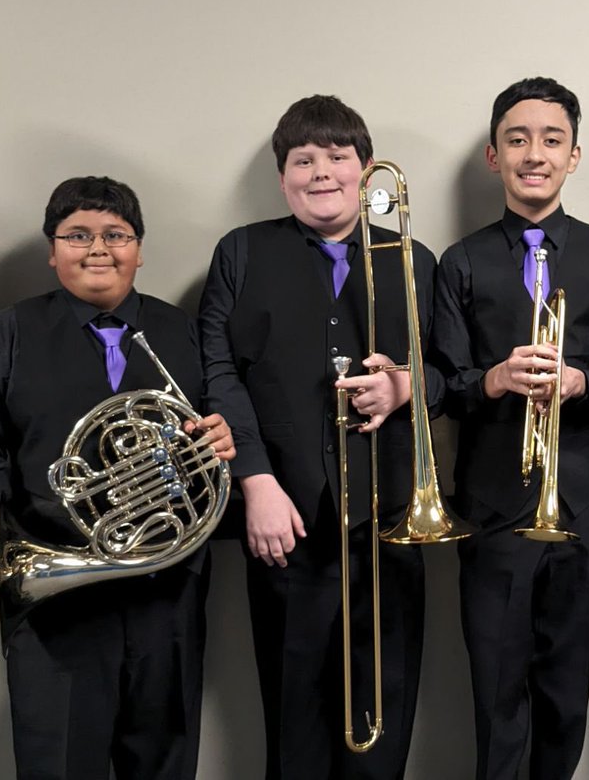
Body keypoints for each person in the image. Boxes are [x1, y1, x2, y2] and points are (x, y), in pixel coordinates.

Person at [0, 175, 235, 780]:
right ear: (52, 250)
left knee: (162, 763)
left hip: (166, 593)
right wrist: (11, 540)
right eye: (78, 234)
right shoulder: (11, 331)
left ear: (139, 249)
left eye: (116, 235)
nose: (98, 248)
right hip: (58, 602)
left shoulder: (179, 331)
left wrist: (218, 444)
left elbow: (213, 440)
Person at [199, 94, 442, 779]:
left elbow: (451, 369)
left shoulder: (413, 257)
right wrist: (256, 481)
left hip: (390, 515)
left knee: (384, 705)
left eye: (337, 157)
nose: (321, 172)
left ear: (367, 171)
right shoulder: (241, 252)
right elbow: (218, 372)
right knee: (293, 706)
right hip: (284, 519)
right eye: (303, 160)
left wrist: (403, 387)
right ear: (283, 177)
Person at [431, 77, 589, 780]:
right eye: (518, 140)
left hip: (581, 499)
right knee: (497, 695)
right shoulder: (459, 262)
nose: (534, 154)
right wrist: (493, 378)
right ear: (494, 156)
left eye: (552, 140)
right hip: (491, 507)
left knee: (566, 694)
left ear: (574, 156)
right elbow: (446, 383)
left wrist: (580, 380)